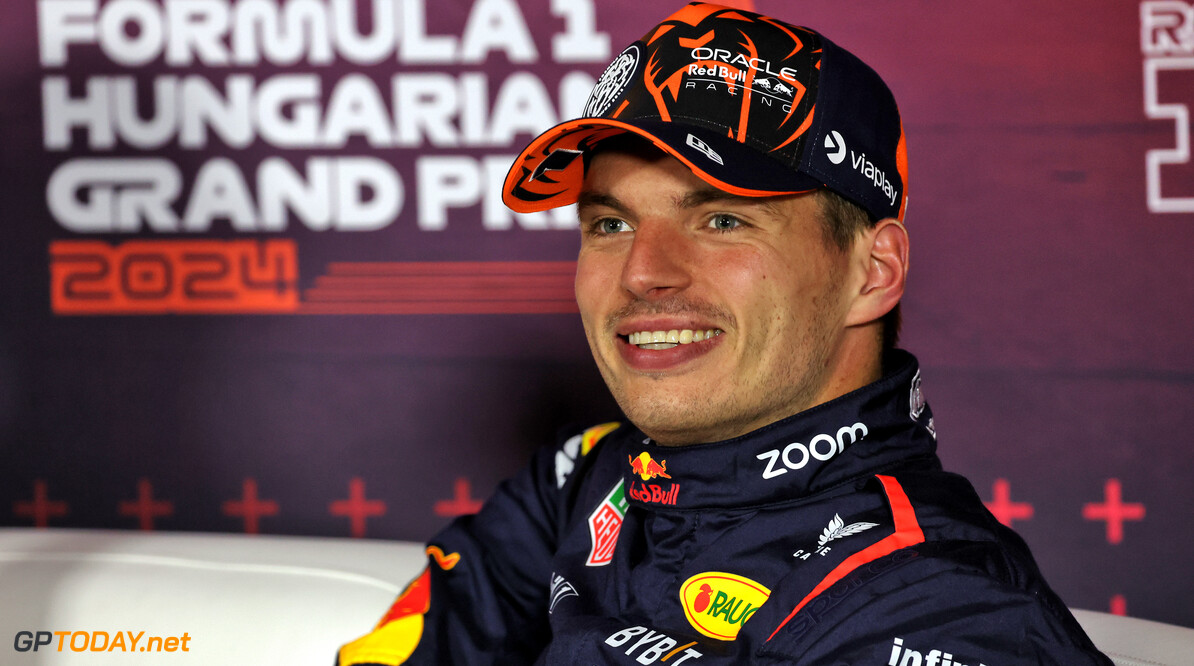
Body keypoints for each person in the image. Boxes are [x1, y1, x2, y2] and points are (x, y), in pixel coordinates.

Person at [338, 3, 1113, 664]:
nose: (643, 272)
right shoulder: (583, 484)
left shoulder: (936, 610)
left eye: (720, 219)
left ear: (871, 271)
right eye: (610, 222)